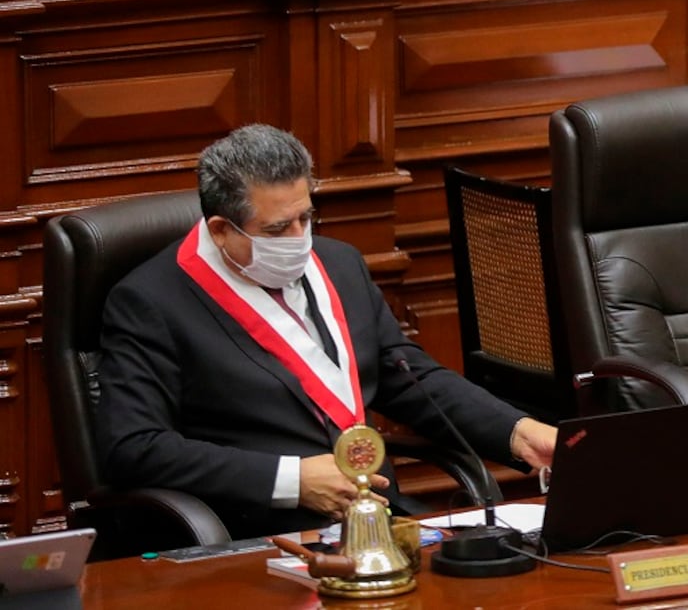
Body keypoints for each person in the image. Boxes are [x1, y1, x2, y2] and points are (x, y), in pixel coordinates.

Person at [96, 124, 557, 539]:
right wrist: (290, 481)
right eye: (277, 228)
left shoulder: (340, 264)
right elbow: (135, 447)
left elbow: (406, 376)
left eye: (306, 218)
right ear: (220, 230)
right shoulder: (151, 302)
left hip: (378, 519)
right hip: (259, 533)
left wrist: (516, 431)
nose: (299, 239)